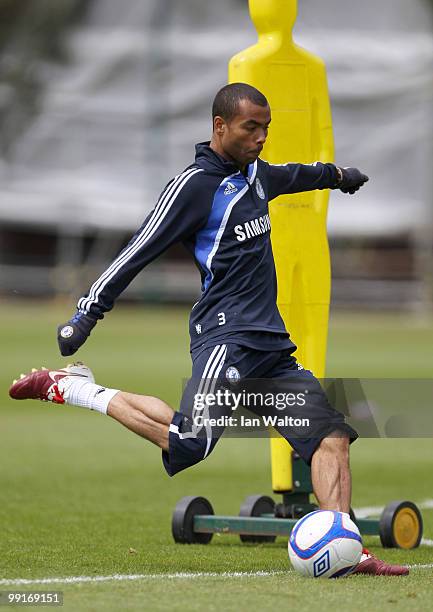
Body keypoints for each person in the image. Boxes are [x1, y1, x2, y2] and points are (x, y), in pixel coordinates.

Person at [9, 83, 407, 576]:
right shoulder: (194, 186)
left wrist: (337, 175)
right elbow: (139, 250)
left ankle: (349, 552)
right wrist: (86, 314)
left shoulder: (255, 174)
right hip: (226, 339)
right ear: (220, 127)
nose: (261, 137)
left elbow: (293, 174)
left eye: (266, 128)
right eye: (250, 128)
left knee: (331, 438)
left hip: (271, 348)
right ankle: (73, 387)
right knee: (188, 442)